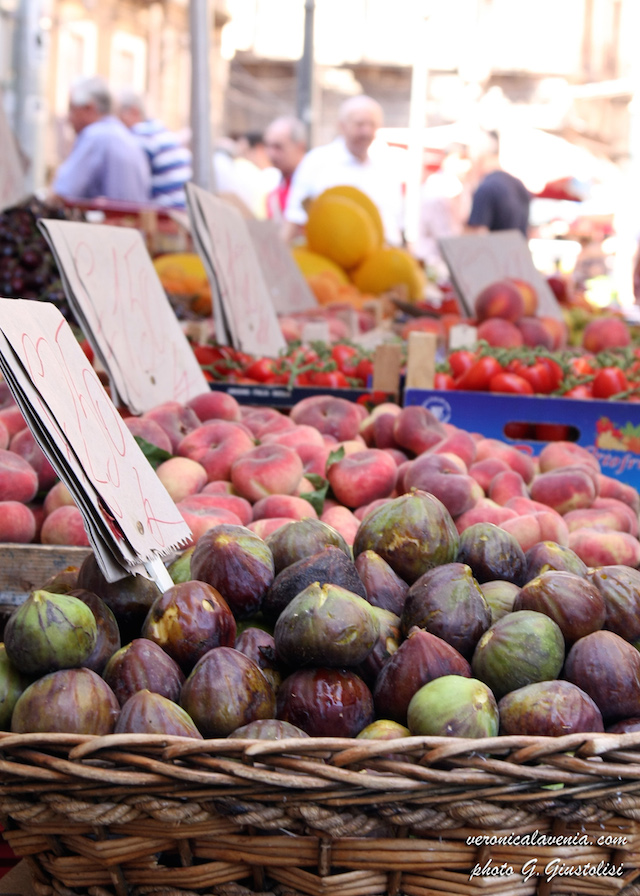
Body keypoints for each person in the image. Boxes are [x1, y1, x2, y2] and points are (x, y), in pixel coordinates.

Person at [283, 94, 403, 245]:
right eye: (359, 124)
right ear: (342, 126)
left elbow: (397, 224)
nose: (366, 132)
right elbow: (294, 218)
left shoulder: (387, 167)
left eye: (372, 125)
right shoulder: (317, 161)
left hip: (379, 260)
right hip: (329, 261)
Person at [52, 76, 150, 203]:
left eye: (72, 109)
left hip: (107, 221)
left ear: (89, 108)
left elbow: (61, 194)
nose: (69, 118)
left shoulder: (95, 135)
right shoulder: (124, 135)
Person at [117, 90, 192, 209]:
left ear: (134, 112)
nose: (115, 123)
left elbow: (131, 181)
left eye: (117, 115)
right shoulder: (158, 128)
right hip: (183, 209)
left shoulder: (141, 135)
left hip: (167, 214)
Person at [413, 144, 472, 275]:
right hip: (433, 260)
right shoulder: (436, 185)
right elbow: (440, 232)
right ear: (449, 159)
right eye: (461, 159)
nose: (467, 165)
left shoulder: (462, 187)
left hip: (450, 260)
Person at [465, 130, 531, 237]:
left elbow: (479, 238)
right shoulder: (519, 185)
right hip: (517, 252)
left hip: (496, 253)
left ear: (479, 157)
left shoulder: (485, 189)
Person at [262, 115, 307, 220]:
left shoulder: (314, 185)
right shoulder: (274, 193)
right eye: (268, 146)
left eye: (278, 147)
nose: (271, 153)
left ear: (300, 147)